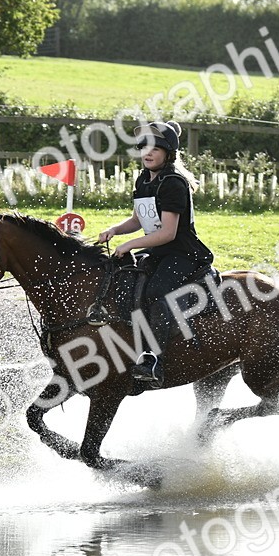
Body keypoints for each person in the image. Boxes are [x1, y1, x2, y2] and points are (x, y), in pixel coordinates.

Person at [97, 120, 214, 387]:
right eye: (143, 147)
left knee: (156, 292)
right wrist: (115, 230)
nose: (147, 153)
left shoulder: (174, 183)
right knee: (123, 279)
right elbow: (137, 220)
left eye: (155, 148)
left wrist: (130, 245)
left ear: (168, 154)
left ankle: (154, 361)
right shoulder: (144, 179)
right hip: (159, 251)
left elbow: (168, 233)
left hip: (183, 254)